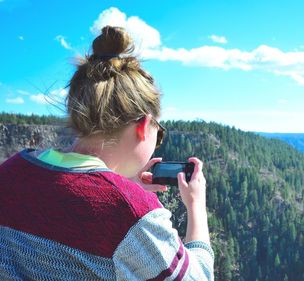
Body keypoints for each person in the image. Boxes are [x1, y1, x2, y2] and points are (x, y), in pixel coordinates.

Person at [0, 26, 214, 280]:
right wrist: (196, 204)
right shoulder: (131, 215)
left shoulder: (12, 169)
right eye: (160, 133)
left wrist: (121, 187)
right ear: (144, 125)